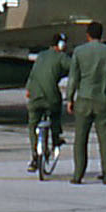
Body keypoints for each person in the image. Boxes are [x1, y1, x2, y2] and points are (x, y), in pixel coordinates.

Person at [66, 21, 106, 184]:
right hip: (103, 100)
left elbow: (73, 78)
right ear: (101, 34)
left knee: (80, 139)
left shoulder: (79, 51)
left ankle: (78, 174)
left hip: (83, 99)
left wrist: (70, 98)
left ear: (87, 34)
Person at [25, 34, 70, 172]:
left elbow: (32, 75)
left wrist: (29, 90)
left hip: (33, 96)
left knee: (33, 124)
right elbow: (74, 68)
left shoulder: (41, 55)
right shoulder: (62, 57)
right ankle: (56, 138)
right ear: (61, 45)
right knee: (55, 114)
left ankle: (34, 156)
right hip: (50, 98)